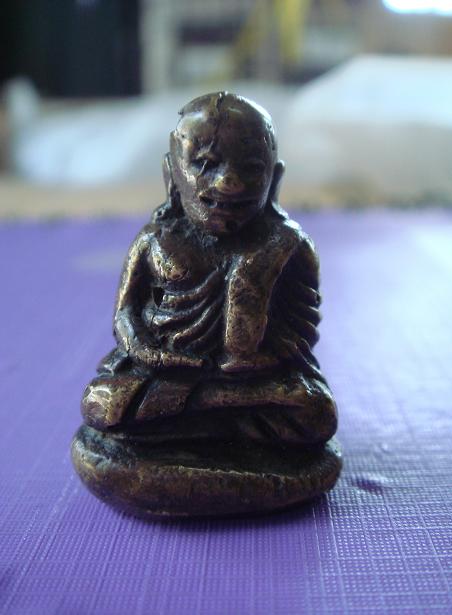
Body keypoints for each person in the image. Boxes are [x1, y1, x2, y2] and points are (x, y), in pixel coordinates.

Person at [81, 92, 337, 447]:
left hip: (257, 382)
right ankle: (224, 419)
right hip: (169, 373)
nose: (228, 183)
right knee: (102, 402)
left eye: (251, 168)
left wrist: (256, 274)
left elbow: (300, 332)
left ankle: (186, 426)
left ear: (275, 179)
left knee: (315, 411)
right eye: (204, 163)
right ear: (171, 174)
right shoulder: (154, 240)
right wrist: (149, 354)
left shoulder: (289, 246)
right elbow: (125, 315)